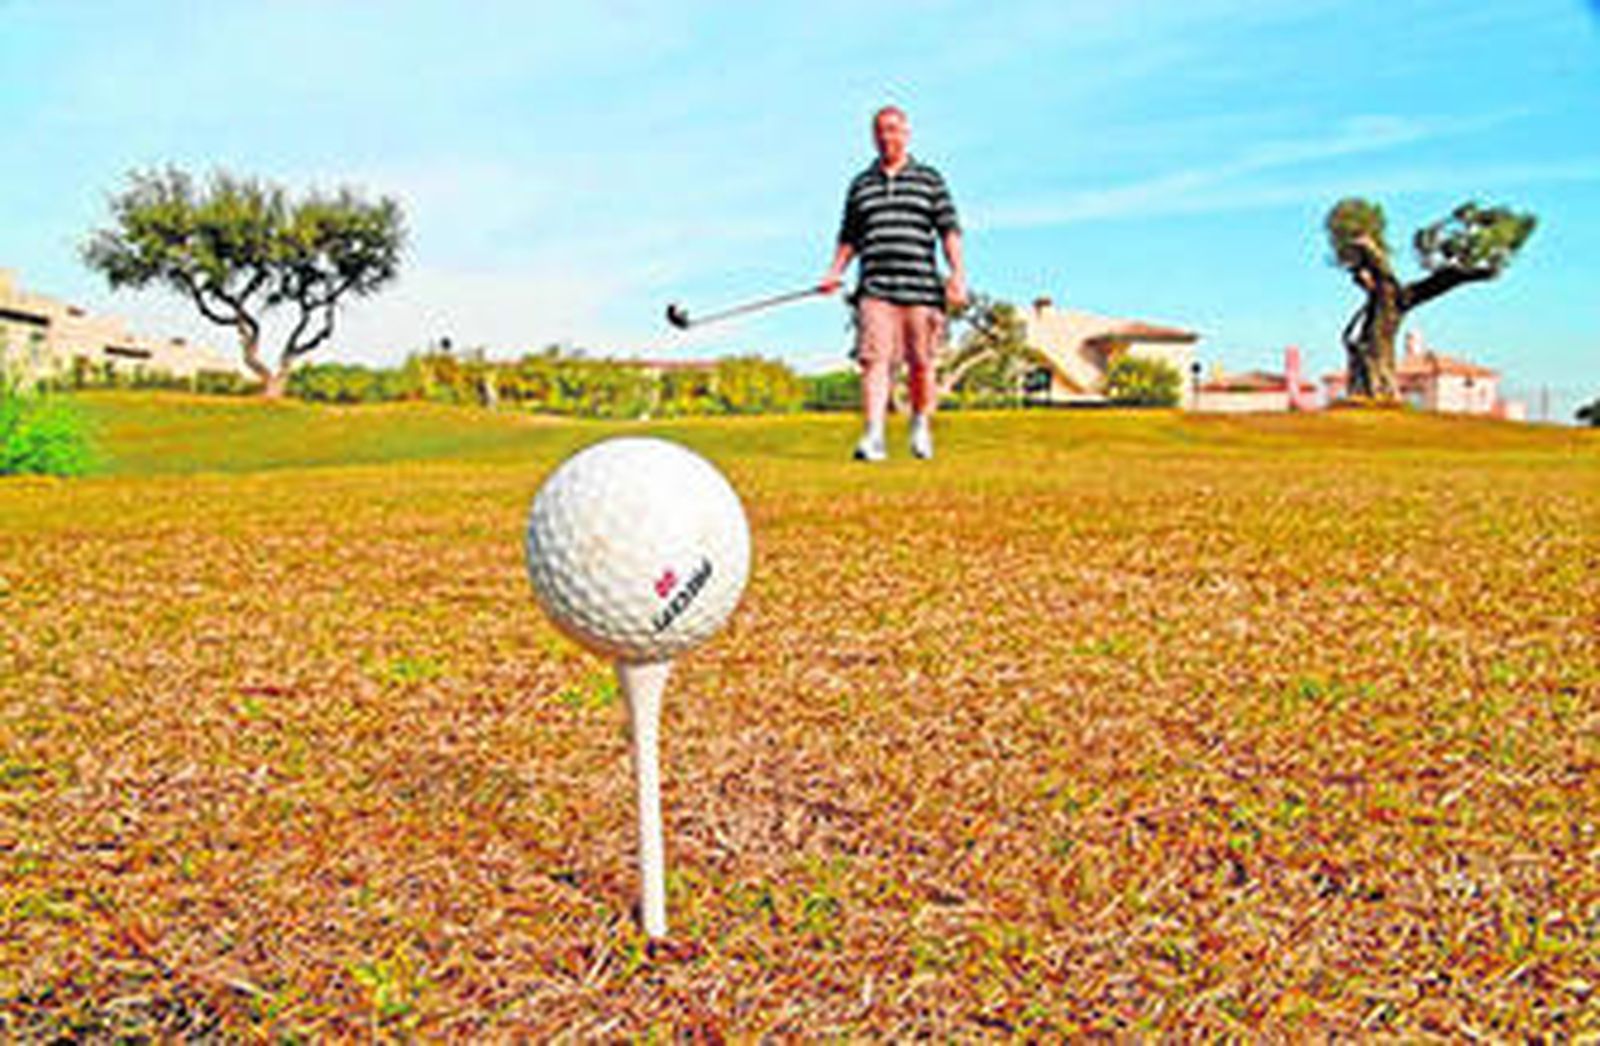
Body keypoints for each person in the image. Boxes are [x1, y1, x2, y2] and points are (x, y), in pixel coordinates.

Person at [820, 106, 966, 461]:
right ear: (874, 136)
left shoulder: (929, 179)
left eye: (894, 129)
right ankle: (873, 437)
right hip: (875, 287)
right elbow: (850, 236)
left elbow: (948, 229)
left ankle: (920, 426)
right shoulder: (861, 184)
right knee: (874, 361)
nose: (888, 136)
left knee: (921, 363)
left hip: (921, 288)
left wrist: (958, 274)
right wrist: (834, 271)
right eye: (881, 130)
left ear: (907, 133)